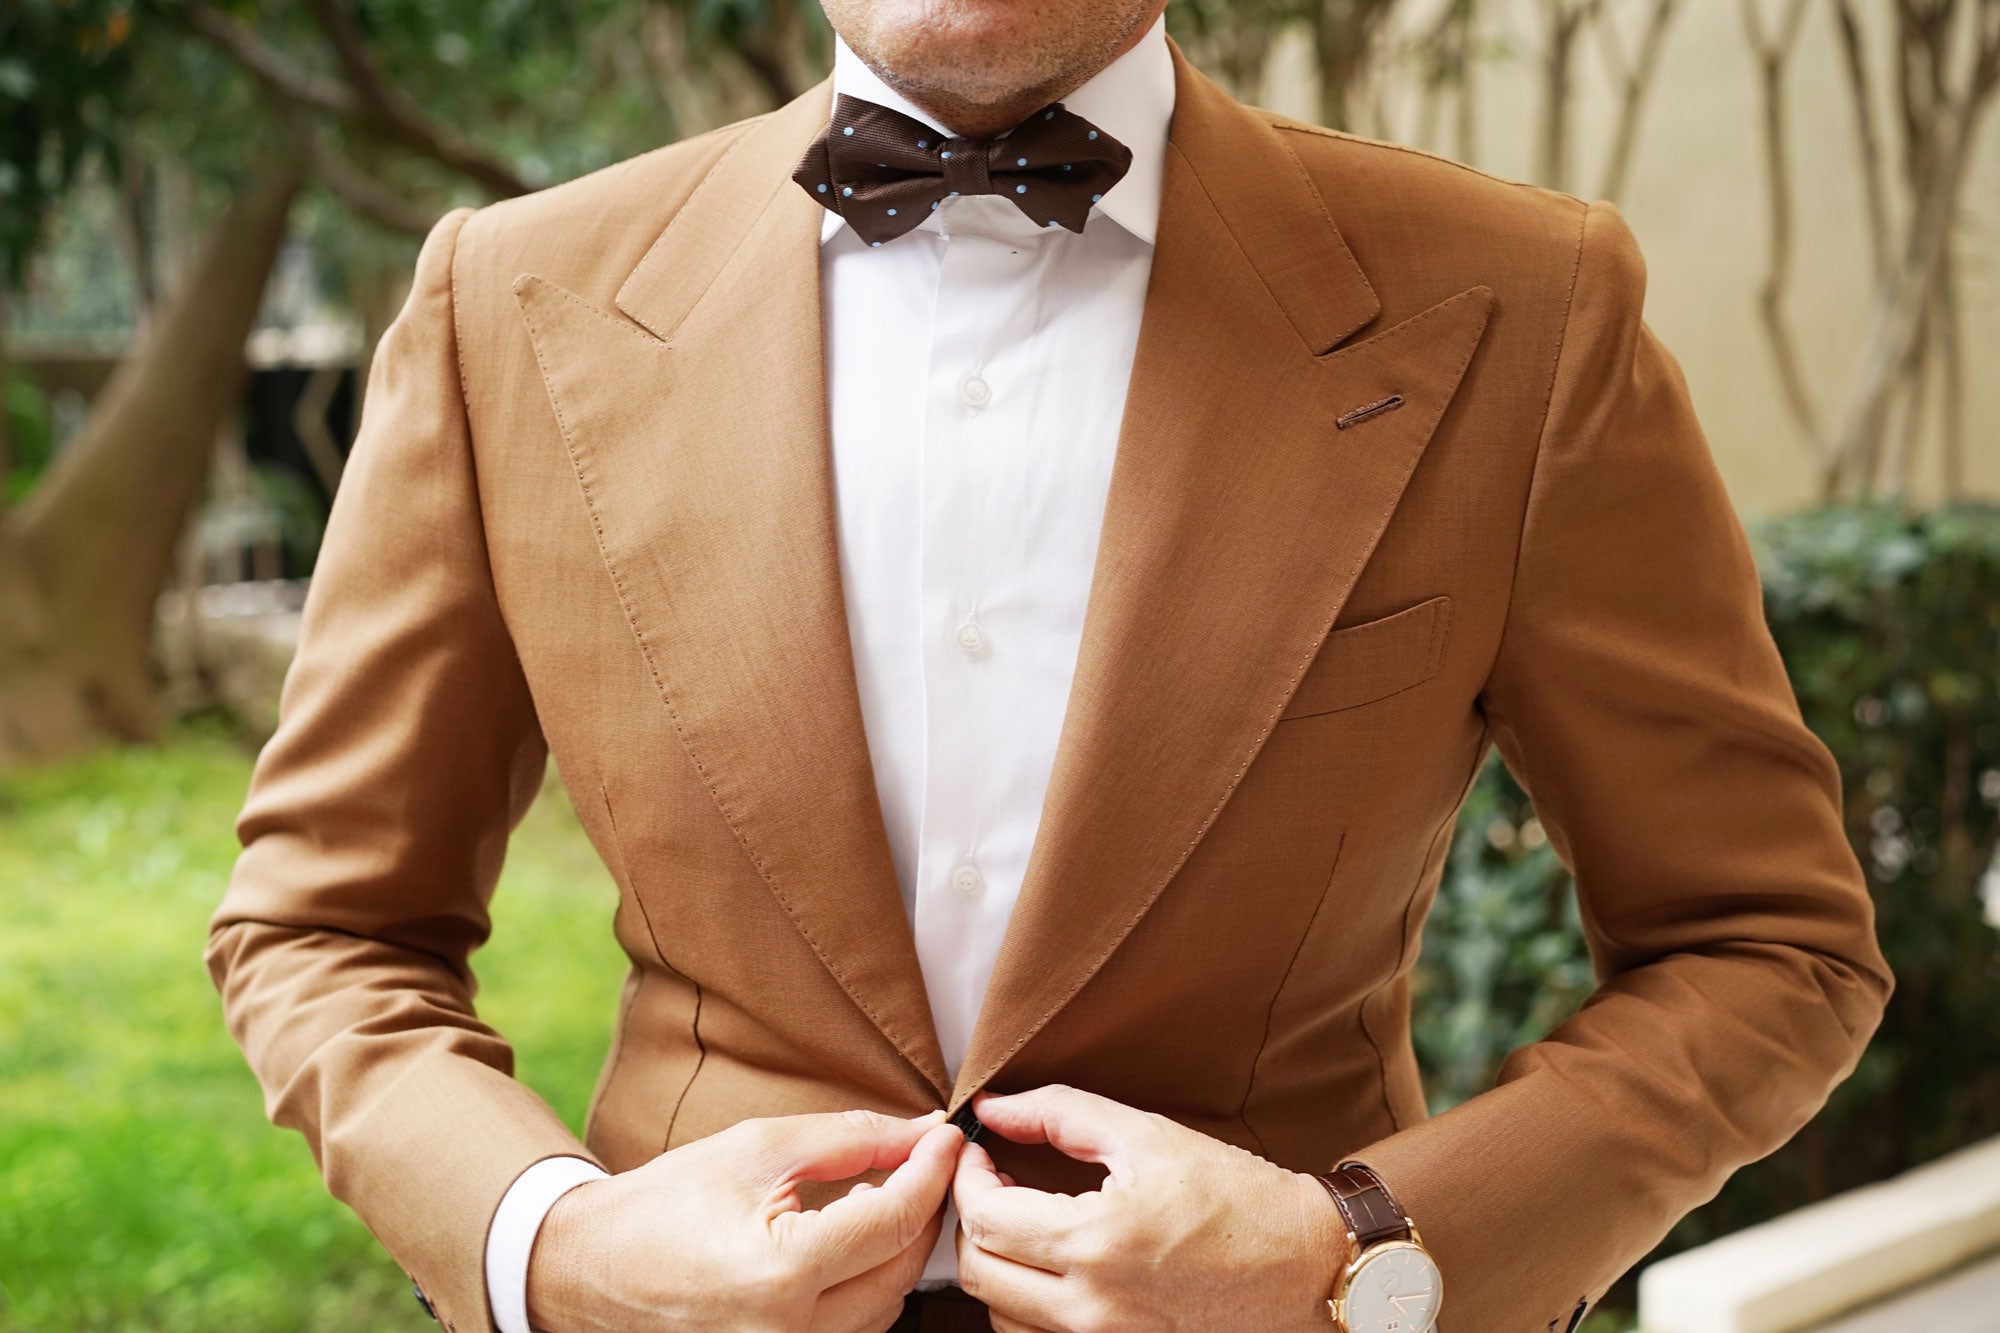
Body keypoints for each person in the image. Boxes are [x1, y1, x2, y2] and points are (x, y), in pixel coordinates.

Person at [206, 0, 1894, 1329]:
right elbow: (325, 927)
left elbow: (1767, 945)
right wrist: (556, 1251)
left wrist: (1355, 1252)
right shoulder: (506, 303)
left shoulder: (1524, 309)